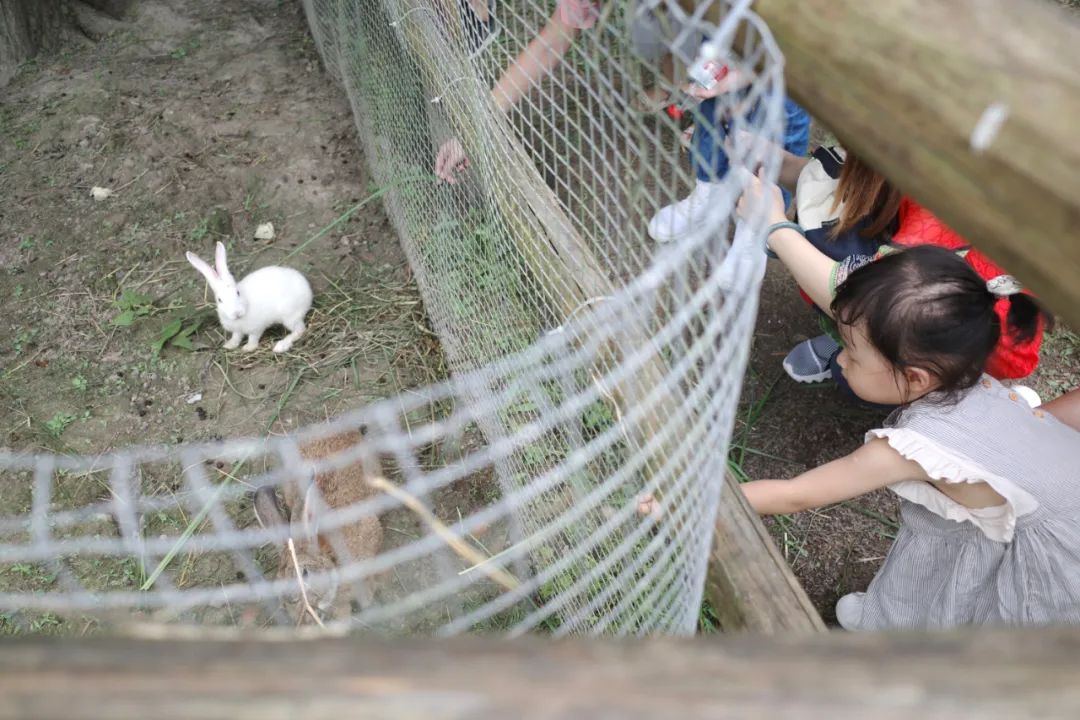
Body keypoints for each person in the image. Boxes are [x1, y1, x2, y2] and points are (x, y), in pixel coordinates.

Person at [735, 236, 1078, 630]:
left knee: (981, 602)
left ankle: (889, 629)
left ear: (914, 377)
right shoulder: (969, 380)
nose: (841, 361)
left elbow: (795, 495)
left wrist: (696, 498)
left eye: (851, 352)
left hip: (1055, 559)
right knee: (955, 552)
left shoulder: (915, 447)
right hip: (1062, 503)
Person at [761, 143, 1044, 399]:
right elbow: (854, 184)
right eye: (849, 350)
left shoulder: (948, 207)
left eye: (852, 352)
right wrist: (777, 162)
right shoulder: (928, 157)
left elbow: (871, 304)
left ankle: (894, 378)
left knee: (853, 376)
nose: (842, 359)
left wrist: (776, 227)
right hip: (931, 314)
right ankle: (862, 349)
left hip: (953, 348)